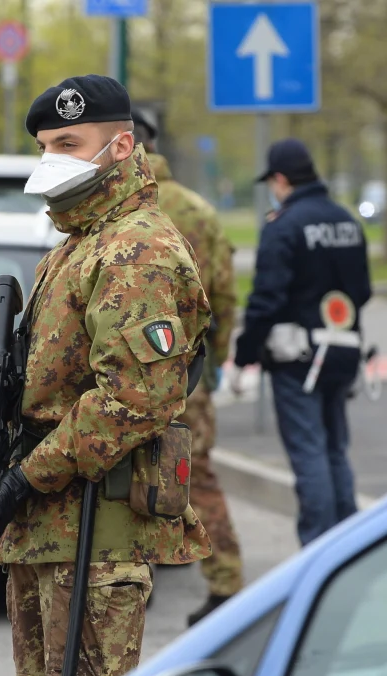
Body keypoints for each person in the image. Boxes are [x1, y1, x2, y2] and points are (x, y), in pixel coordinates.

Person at [0, 75, 213, 676]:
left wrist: (28, 476)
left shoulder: (137, 250)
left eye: (70, 142)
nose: (53, 158)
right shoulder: (76, 246)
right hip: (49, 528)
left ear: (119, 147)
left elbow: (137, 398)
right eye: (45, 145)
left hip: (94, 530)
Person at [130, 106, 243, 627]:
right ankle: (226, 584)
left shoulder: (115, 206)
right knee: (196, 477)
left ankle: (134, 581)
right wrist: (214, 361)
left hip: (125, 374)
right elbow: (223, 293)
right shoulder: (196, 209)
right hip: (187, 373)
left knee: (126, 477)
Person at [232, 138, 372, 548]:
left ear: (281, 179)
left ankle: (318, 550)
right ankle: (349, 543)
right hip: (344, 351)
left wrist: (244, 355)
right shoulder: (346, 221)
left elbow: (266, 300)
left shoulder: (285, 225)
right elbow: (361, 292)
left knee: (309, 452)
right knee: (335, 448)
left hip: (298, 359)